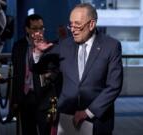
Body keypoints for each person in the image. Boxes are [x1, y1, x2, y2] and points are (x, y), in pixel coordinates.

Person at [33, 3, 123, 135]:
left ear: (91, 24)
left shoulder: (111, 46)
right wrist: (38, 53)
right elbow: (39, 68)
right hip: (66, 119)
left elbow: (114, 86)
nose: (73, 29)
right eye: (71, 24)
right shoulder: (64, 45)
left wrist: (88, 112)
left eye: (77, 24)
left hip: (97, 120)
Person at [11, 14, 61, 135]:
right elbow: (17, 75)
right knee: (28, 131)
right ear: (27, 29)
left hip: (44, 99)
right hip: (25, 98)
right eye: (35, 28)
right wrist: (15, 100)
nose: (39, 31)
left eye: (41, 28)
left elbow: (57, 71)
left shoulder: (50, 47)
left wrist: (50, 76)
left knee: (46, 131)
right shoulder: (18, 47)